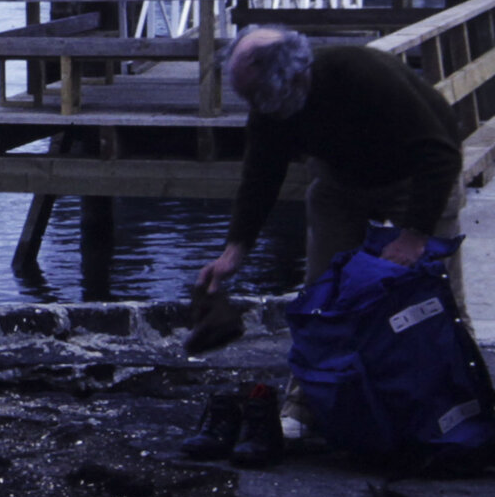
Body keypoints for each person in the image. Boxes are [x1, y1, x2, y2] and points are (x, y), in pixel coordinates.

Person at [196, 25, 467, 437]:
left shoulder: (361, 74)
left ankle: (464, 404)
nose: (253, 106)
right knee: (321, 294)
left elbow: (440, 153)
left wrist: (414, 235)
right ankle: (306, 404)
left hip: (419, 174)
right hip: (342, 181)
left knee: (440, 295)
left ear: (292, 77)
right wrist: (235, 249)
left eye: (256, 96)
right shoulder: (271, 107)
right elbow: (260, 177)